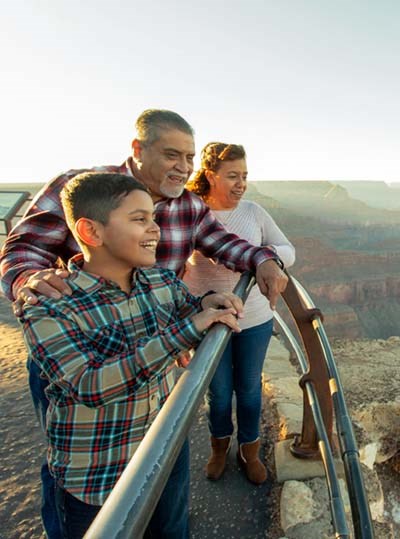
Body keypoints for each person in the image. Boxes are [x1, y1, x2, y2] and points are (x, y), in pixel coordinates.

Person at [0, 109, 287, 537]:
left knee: (160, 461)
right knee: (84, 454)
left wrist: (261, 259)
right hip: (86, 341)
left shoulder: (185, 209)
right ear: (138, 149)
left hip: (159, 360)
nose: (184, 168)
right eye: (172, 154)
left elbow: (220, 246)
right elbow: (23, 246)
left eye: (190, 157)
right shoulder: (84, 189)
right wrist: (30, 281)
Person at [19, 171, 244, 538]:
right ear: (92, 232)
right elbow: (89, 384)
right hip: (95, 478)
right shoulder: (50, 306)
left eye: (153, 217)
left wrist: (206, 302)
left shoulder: (160, 281)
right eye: (140, 220)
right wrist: (188, 330)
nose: (155, 230)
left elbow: (186, 308)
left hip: (162, 451)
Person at [184, 142, 295, 484]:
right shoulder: (192, 214)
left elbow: (288, 251)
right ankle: (220, 448)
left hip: (255, 320)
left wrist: (263, 256)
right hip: (211, 323)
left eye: (244, 175)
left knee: (247, 390)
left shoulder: (254, 212)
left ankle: (250, 451)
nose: (241, 183)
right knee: (218, 394)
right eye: (232, 175)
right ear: (210, 175)